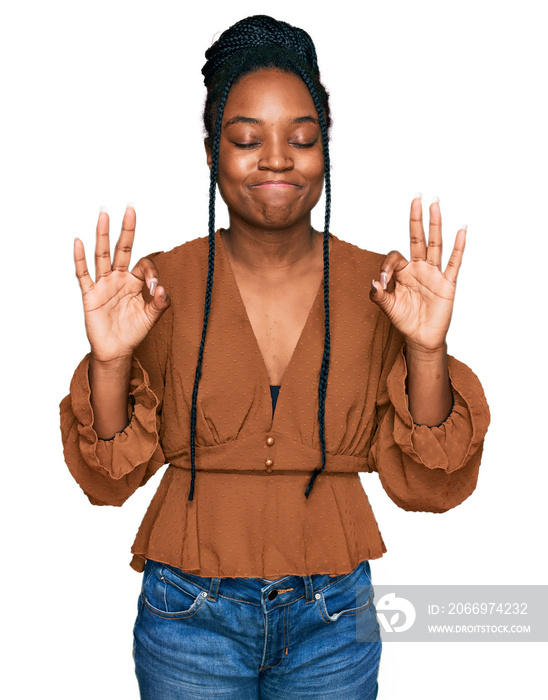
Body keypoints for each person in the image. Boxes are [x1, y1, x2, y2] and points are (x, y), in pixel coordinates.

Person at [59, 14, 490, 700]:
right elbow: (110, 476)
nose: (277, 159)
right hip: (187, 615)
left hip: (333, 617)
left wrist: (426, 349)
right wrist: (110, 361)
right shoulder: (158, 286)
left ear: (326, 150)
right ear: (211, 152)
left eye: (302, 138)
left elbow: (428, 483)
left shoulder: (383, 286)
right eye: (246, 139)